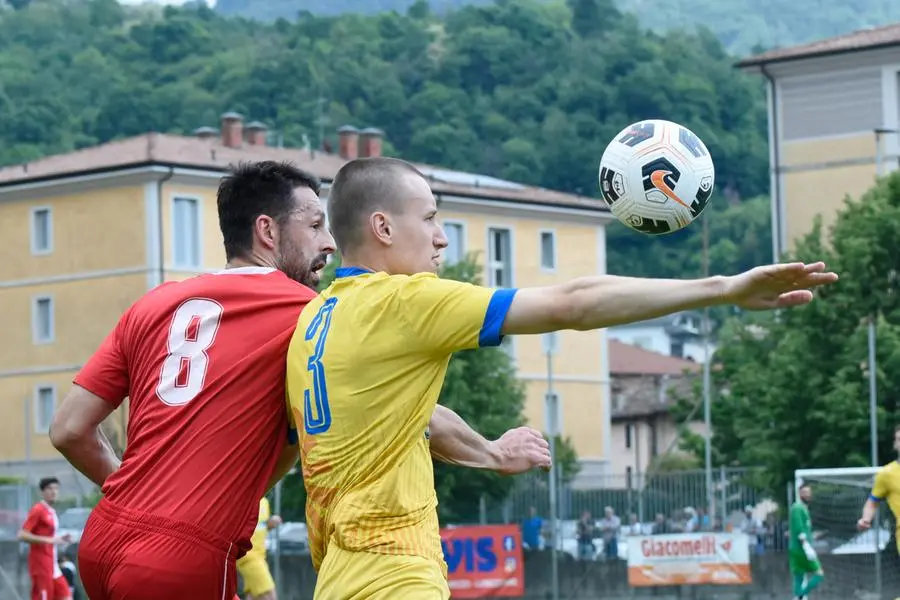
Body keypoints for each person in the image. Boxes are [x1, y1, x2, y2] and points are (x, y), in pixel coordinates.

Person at [285, 155, 838, 599]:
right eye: (429, 218)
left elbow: (412, 416)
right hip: (397, 576)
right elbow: (574, 304)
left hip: (337, 576)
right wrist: (724, 289)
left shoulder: (315, 320)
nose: (441, 238)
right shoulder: (404, 302)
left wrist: (491, 453)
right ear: (382, 227)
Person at [50, 160, 551, 600]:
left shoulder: (152, 303)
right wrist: (491, 452)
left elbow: (69, 430)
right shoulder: (311, 314)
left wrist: (139, 500)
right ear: (267, 232)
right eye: (314, 225)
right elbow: (405, 410)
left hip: (105, 537)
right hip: (183, 554)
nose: (330, 242)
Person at [18, 477, 73, 600]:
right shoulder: (38, 509)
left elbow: (50, 536)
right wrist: (50, 540)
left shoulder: (51, 511)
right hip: (41, 565)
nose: (53, 492)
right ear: (42, 492)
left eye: (56, 488)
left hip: (53, 565)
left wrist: (60, 538)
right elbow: (22, 535)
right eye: (49, 488)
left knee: (66, 597)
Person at [236, 497, 282, 600]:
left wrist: (270, 523)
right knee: (269, 595)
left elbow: (259, 527)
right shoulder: (243, 498)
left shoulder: (264, 502)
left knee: (253, 596)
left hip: (260, 556)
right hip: (248, 556)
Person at [789, 484, 824, 599]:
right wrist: (806, 546)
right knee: (819, 574)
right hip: (801, 549)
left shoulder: (801, 508)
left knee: (799, 577)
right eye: (804, 492)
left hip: (796, 549)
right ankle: (800, 595)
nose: (807, 495)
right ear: (799, 494)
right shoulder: (798, 508)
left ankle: (798, 596)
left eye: (808, 492)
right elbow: (799, 529)